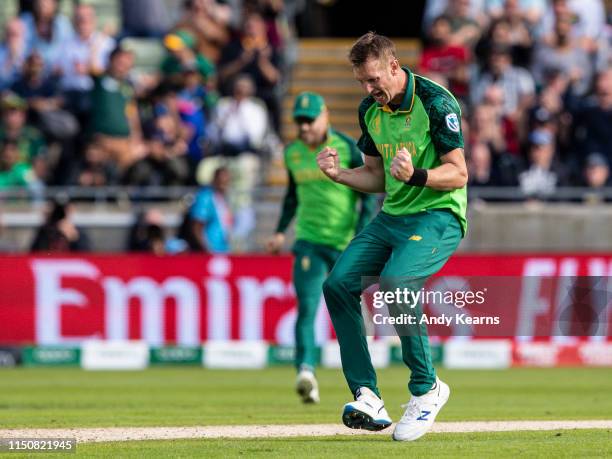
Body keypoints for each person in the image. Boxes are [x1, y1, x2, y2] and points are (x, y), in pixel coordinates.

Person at [316, 32, 467, 441]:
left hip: (438, 215)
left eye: (373, 80)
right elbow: (377, 176)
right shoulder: (370, 110)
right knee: (338, 284)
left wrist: (416, 175)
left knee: (397, 284)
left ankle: (427, 388)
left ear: (394, 67)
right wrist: (340, 175)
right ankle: (368, 396)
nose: (368, 90)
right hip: (394, 215)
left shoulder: (436, 102)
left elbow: (459, 173)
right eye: (362, 82)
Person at [266, 91, 375, 404]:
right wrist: (278, 231)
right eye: (298, 122)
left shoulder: (346, 147)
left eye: (309, 121)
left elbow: (366, 192)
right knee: (308, 308)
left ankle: (364, 386)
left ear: (325, 115)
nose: (303, 128)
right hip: (309, 243)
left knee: (349, 315)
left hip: (343, 246)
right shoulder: (292, 153)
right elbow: (291, 197)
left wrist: (361, 236)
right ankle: (306, 372)